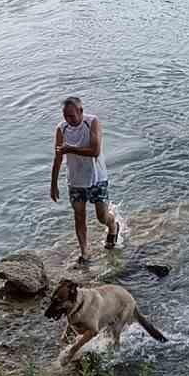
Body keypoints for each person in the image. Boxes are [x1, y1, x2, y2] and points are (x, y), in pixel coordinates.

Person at [50, 96, 121, 262]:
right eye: (65, 116)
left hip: (97, 178)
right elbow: (58, 157)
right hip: (75, 180)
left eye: (72, 116)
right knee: (79, 215)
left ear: (81, 111)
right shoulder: (62, 129)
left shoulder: (92, 122)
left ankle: (113, 225)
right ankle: (84, 252)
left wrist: (70, 149)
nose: (68, 120)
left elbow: (95, 151)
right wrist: (53, 184)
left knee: (101, 217)